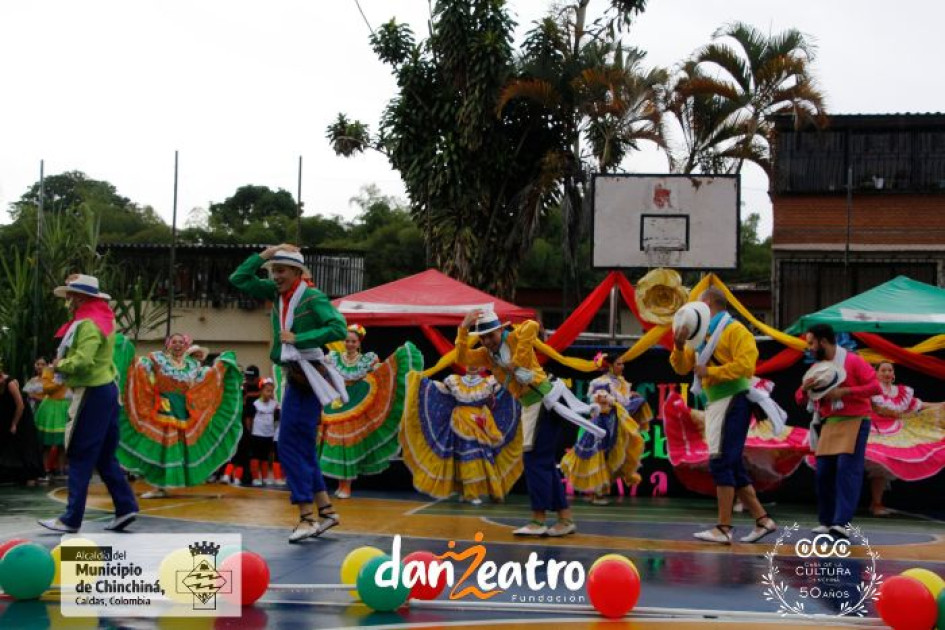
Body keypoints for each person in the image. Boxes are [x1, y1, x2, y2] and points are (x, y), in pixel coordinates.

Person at [230, 244, 348, 543]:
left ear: (297, 272)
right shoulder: (277, 294)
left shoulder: (312, 297)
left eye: (281, 270)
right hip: (295, 376)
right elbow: (238, 279)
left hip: (307, 377)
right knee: (303, 448)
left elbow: (338, 327)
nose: (275, 276)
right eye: (273, 271)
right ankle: (327, 511)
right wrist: (267, 254)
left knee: (287, 448)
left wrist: (300, 338)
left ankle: (307, 517)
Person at [455, 309, 597, 537]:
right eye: (483, 337)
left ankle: (538, 520)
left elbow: (532, 325)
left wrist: (518, 362)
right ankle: (564, 517)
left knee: (535, 460)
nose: (487, 341)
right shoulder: (486, 355)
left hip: (544, 399)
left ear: (500, 330)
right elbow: (462, 358)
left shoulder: (513, 337)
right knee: (543, 461)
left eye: (491, 335)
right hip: (532, 404)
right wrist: (463, 329)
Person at [670, 288, 777, 544]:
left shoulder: (735, 330)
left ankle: (724, 527)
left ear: (706, 303)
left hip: (732, 399)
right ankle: (763, 520)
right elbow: (683, 367)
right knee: (732, 464)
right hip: (717, 401)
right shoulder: (700, 335)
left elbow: (746, 366)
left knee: (720, 462)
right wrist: (678, 344)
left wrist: (711, 371)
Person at [38, 274, 138, 533]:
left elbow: (83, 360)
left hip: (91, 393)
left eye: (70, 295)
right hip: (105, 391)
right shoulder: (102, 319)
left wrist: (60, 365)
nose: (68, 300)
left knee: (80, 454)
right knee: (105, 457)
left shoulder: (87, 324)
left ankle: (71, 519)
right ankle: (126, 507)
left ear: (80, 297)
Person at [119, 333, 242, 498]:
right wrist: (127, 355)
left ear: (185, 346)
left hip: (184, 411)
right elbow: (137, 369)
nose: (177, 345)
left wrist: (222, 366)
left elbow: (206, 381)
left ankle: (166, 486)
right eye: (174, 342)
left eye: (180, 342)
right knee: (161, 449)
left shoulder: (192, 365)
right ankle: (158, 487)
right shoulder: (155, 358)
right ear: (167, 344)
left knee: (178, 450)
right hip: (162, 409)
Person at [796, 324, 881, 538]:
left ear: (823, 342)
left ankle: (842, 522)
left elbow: (875, 387)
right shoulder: (818, 367)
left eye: (811, 343)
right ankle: (826, 521)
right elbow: (799, 398)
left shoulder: (853, 361)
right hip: (829, 422)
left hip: (855, 419)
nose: (810, 348)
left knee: (847, 471)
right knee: (823, 472)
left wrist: (845, 392)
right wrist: (805, 389)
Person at [320, 324, 423, 498]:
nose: (350, 344)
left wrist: (393, 364)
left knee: (349, 443)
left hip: (358, 403)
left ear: (359, 342)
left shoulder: (367, 360)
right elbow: (322, 372)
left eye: (353, 341)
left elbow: (381, 373)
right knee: (336, 442)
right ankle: (340, 484)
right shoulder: (334, 358)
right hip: (338, 403)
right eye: (347, 341)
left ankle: (347, 486)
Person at [401, 368, 522, 505]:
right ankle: (469, 493)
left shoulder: (489, 382)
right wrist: (420, 381)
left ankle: (489, 491)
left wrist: (513, 379)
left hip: (479, 422)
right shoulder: (454, 381)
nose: (473, 366)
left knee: (483, 456)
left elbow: (503, 391)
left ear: (482, 366)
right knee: (464, 456)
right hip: (460, 422)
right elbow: (439, 389)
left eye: (476, 363)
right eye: (469, 363)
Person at [865, 361, 945, 516]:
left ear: (893, 374)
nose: (887, 373)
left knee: (882, 467)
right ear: (876, 373)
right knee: (870, 461)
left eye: (889, 370)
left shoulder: (901, 392)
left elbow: (918, 405)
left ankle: (876, 503)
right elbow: (878, 408)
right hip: (874, 429)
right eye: (883, 370)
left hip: (895, 430)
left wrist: (940, 404)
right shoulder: (872, 390)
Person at [560, 380, 645, 505]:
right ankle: (597, 495)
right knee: (597, 465)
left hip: (602, 439)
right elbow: (608, 407)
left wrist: (634, 398)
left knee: (602, 466)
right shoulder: (603, 407)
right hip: (597, 440)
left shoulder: (614, 407)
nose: (604, 398)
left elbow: (626, 407)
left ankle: (596, 494)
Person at [34, 363, 71, 479]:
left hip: (64, 406)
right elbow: (45, 388)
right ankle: (44, 470)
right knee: (46, 443)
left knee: (62, 443)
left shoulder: (69, 368)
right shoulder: (48, 370)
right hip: (50, 407)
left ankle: (60, 470)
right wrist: (58, 382)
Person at [249, 379, 279, 486]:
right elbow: (250, 419)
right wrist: (250, 431)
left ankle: (265, 477)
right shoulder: (256, 404)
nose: (269, 393)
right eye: (267, 391)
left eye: (271, 391)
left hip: (268, 434)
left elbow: (276, 418)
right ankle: (255, 477)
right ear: (261, 391)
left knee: (265, 457)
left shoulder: (274, 405)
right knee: (256, 456)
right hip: (257, 434)